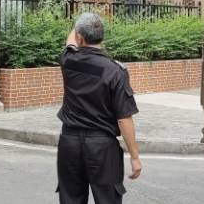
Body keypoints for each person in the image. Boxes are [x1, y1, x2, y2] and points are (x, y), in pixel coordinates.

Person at [57, 12, 142, 204]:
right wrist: (134, 156)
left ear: (79, 37)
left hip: (69, 143)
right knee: (107, 199)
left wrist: (79, 25)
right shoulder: (115, 71)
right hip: (102, 147)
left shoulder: (69, 60)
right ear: (102, 36)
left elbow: (70, 41)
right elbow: (124, 118)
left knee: (70, 199)